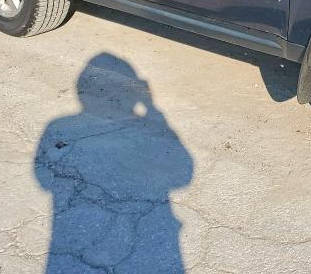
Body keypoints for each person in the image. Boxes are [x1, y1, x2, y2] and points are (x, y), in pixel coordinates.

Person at [34, 53, 193, 273]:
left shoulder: (58, 125)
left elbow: (43, 179)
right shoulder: (59, 125)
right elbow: (184, 175)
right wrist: (152, 109)